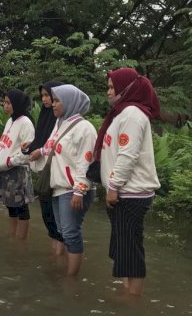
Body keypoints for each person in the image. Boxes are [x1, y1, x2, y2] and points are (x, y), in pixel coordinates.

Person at [95, 68, 161, 296]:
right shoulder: (121, 114)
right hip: (124, 192)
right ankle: (127, 292)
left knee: (130, 250)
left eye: (112, 87)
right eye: (109, 87)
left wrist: (113, 187)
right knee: (124, 248)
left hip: (130, 193)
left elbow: (127, 155)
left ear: (127, 88)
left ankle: (132, 301)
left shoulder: (132, 114)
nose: (108, 92)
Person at [29, 84, 96, 276]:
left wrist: (79, 190)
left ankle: (71, 277)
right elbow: (51, 147)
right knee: (62, 231)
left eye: (57, 100)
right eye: (54, 100)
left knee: (70, 232)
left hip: (73, 189)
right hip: (58, 188)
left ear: (69, 102)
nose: (53, 104)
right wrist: (39, 151)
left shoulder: (85, 128)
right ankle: (67, 268)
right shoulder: (60, 125)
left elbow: (85, 161)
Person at [22, 81, 65, 255]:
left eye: (49, 96)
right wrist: (32, 145)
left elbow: (55, 142)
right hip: (44, 173)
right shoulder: (46, 115)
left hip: (57, 175)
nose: (46, 100)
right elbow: (44, 138)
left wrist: (40, 150)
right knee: (48, 215)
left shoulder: (61, 118)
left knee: (58, 220)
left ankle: (60, 256)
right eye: (43, 96)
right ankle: (55, 254)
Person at [0, 89, 35, 239]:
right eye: (4, 102)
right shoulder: (11, 121)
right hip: (5, 170)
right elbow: (5, 144)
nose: (5, 105)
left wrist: (10, 161)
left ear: (16, 104)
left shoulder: (26, 123)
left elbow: (27, 152)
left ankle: (21, 239)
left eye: (8, 103)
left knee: (21, 207)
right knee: (10, 206)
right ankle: (12, 236)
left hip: (18, 171)